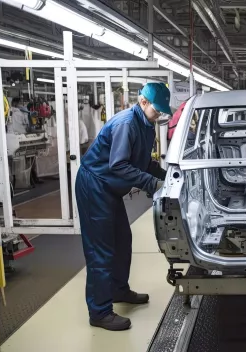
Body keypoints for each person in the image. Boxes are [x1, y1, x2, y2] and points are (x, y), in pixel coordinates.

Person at [75, 82, 172, 331]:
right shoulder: (126, 123)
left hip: (110, 187)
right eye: (157, 110)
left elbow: (141, 161)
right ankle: (99, 312)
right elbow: (119, 165)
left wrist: (170, 176)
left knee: (122, 241)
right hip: (95, 185)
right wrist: (153, 184)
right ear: (143, 102)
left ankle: (118, 290)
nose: (159, 114)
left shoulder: (146, 125)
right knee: (101, 249)